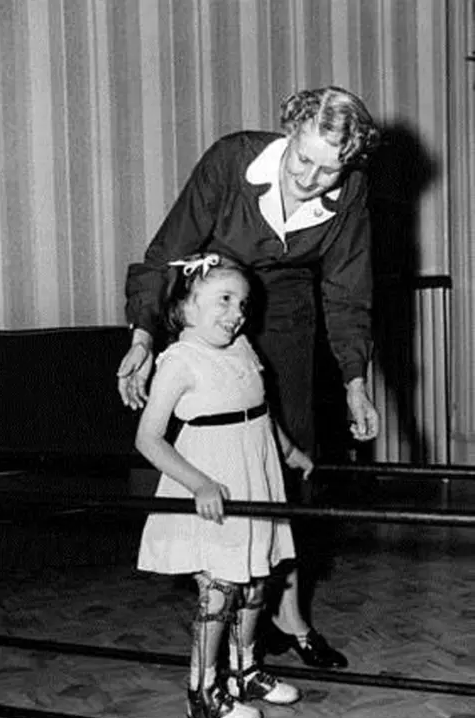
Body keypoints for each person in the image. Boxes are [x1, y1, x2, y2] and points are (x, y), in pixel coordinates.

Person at [118, 85, 381, 670]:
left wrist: (355, 381)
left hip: (286, 304)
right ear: (289, 135)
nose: (310, 178)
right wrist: (143, 337)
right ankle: (229, 605)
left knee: (291, 455)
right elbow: (167, 251)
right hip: (218, 295)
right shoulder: (232, 160)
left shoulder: (351, 191)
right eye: (303, 159)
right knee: (226, 453)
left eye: (329, 170)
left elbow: (347, 290)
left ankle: (286, 612)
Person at [135, 252, 313, 718]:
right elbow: (148, 439)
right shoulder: (180, 361)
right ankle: (202, 692)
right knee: (219, 590)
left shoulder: (243, 347)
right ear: (185, 307)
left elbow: (260, 409)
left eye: (243, 303)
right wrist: (199, 483)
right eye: (224, 300)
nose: (237, 313)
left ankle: (243, 672)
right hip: (213, 484)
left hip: (256, 477)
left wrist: (289, 451)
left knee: (255, 581)